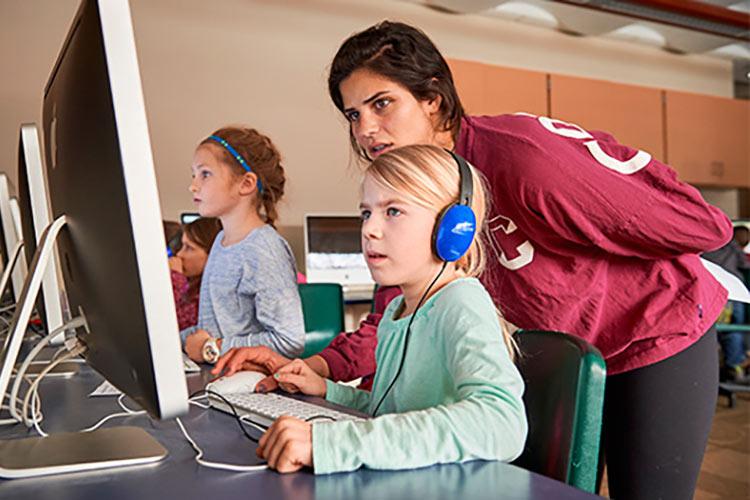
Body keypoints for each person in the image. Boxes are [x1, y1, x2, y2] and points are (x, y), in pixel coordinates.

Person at [217, 21, 733, 499]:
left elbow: (700, 223)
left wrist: (602, 251)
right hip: (568, 354)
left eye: (381, 105)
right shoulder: (417, 191)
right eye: (354, 115)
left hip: (657, 334)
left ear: (435, 101)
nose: (365, 130)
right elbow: (392, 317)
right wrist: (311, 367)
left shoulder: (524, 158)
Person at [255, 145, 527, 474]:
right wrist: (328, 390)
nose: (369, 229)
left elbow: (502, 422)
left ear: (454, 229)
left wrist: (336, 444)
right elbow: (390, 410)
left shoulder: (461, 302)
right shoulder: (397, 310)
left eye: (393, 211)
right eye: (366, 213)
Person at [180, 126, 305, 362]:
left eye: (205, 174)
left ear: (246, 184)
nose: (193, 186)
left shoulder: (264, 249)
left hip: (248, 387)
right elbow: (216, 327)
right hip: (219, 376)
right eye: (193, 175)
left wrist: (212, 347)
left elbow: (289, 339)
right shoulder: (221, 240)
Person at [704, 225, 750, 382]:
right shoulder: (733, 248)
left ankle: (713, 371)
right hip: (733, 294)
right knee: (735, 328)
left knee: (711, 331)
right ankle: (734, 365)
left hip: (709, 292)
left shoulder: (706, 245)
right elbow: (745, 265)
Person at [168, 217, 221, 330]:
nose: (179, 254)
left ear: (212, 254)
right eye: (182, 246)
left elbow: (169, 323)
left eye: (189, 248)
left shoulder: (213, 296)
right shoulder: (193, 286)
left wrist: (176, 279)